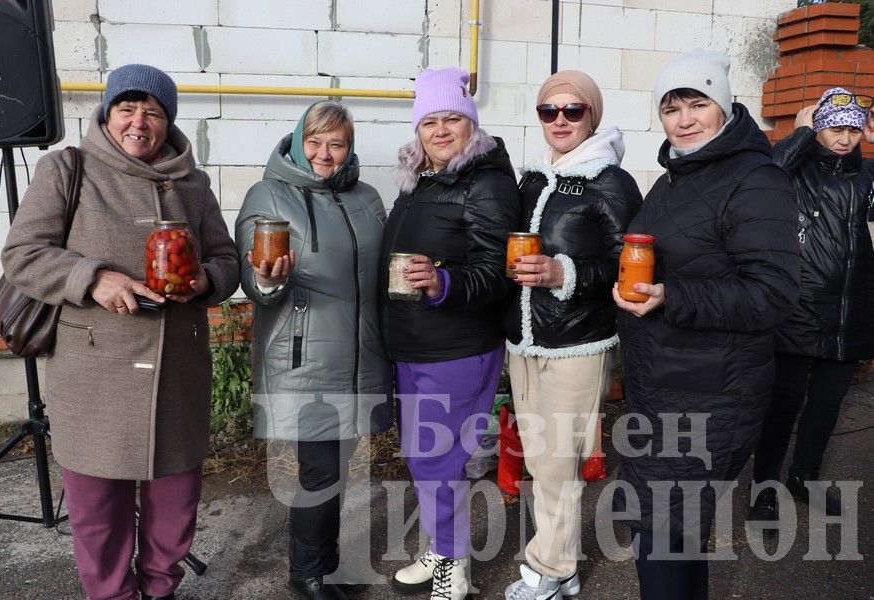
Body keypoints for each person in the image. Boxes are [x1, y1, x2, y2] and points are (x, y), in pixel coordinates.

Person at [0, 64, 240, 600]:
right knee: (98, 515)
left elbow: (227, 259)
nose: (139, 121)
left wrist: (205, 279)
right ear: (107, 114)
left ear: (168, 122)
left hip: (177, 369)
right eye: (127, 108)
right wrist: (93, 278)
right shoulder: (68, 169)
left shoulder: (193, 184)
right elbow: (22, 255)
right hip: (93, 375)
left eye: (152, 112)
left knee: (175, 507)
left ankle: (160, 590)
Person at [611, 49, 799, 600]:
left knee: (662, 532)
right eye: (672, 108)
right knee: (675, 531)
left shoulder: (754, 179)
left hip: (711, 393)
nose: (685, 119)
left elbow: (772, 294)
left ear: (724, 105)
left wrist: (673, 296)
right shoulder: (677, 177)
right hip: (666, 386)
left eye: (699, 103)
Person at [236, 101, 392, 600]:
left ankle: (324, 564)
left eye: (337, 144)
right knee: (321, 468)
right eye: (316, 142)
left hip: (360, 354)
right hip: (305, 356)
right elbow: (254, 281)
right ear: (299, 142)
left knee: (341, 465)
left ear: (349, 148)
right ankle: (306, 573)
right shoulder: (270, 195)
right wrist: (265, 279)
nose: (326, 154)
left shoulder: (365, 198)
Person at [381, 67, 520, 600]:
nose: (440, 131)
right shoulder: (422, 181)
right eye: (429, 121)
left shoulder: (485, 183)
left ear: (471, 126)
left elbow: (496, 269)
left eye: (452, 120)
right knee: (423, 456)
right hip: (414, 343)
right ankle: (442, 546)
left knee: (441, 458)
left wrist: (442, 282)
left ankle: (453, 568)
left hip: (456, 344)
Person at [502, 70, 641, 600]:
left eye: (572, 110)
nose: (559, 120)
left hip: (579, 342)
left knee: (558, 458)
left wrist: (566, 274)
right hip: (526, 342)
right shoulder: (533, 178)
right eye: (548, 111)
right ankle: (564, 567)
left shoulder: (611, 181)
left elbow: (630, 263)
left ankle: (552, 569)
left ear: (592, 116)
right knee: (539, 458)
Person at [749, 88, 874, 520]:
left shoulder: (867, 176)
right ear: (818, 128)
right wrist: (800, 133)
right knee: (782, 405)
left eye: (853, 129)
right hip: (797, 309)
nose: (844, 138)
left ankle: (804, 476)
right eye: (835, 128)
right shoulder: (795, 170)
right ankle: (763, 489)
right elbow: (764, 173)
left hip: (848, 312)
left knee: (826, 406)